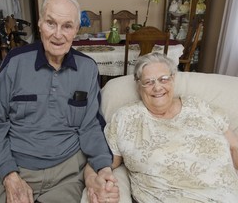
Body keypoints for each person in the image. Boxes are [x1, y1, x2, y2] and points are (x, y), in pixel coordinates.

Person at [0, 0, 118, 203]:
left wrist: (103, 168)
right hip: (14, 163)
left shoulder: (87, 68)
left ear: (76, 29)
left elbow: (90, 126)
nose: (58, 34)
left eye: (67, 26)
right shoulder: (15, 62)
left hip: (66, 171)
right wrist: (9, 174)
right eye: (51, 23)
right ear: (39, 24)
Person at [86, 52, 238, 202]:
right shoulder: (126, 118)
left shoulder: (200, 106)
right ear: (139, 86)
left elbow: (234, 147)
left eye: (163, 79)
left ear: (173, 79)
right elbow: (98, 161)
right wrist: (93, 180)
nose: (157, 87)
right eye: (149, 82)